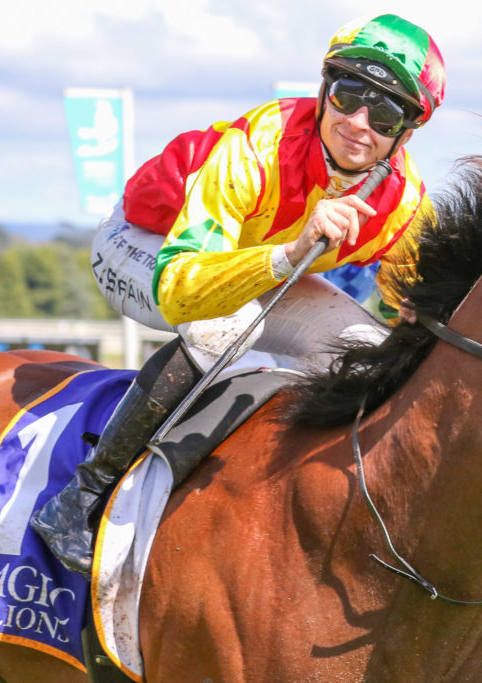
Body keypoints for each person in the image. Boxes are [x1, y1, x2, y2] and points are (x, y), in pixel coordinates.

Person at [31, 14, 446, 575]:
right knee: (225, 325)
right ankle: (82, 498)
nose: (357, 122)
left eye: (385, 114)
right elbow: (181, 290)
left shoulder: (406, 203)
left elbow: (409, 319)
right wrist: (289, 255)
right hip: (146, 245)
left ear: (407, 133)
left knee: (368, 354)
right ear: (325, 88)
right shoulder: (257, 147)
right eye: (348, 95)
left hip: (259, 270)